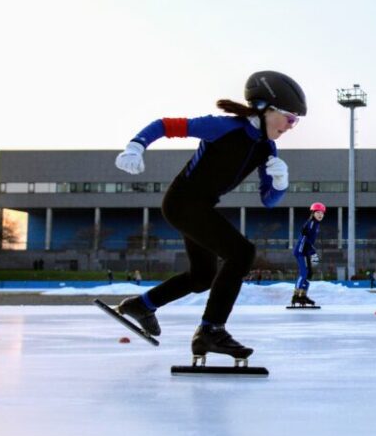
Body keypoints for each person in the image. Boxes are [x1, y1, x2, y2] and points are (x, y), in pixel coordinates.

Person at [113, 70, 306, 358]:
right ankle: (211, 330)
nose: (292, 126)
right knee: (241, 253)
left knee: (203, 276)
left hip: (200, 207)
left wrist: (280, 184)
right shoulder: (224, 127)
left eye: (296, 121)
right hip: (182, 202)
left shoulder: (267, 148)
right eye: (290, 118)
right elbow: (167, 125)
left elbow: (268, 200)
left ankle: (142, 305)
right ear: (266, 109)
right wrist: (136, 146)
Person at [291, 202, 325, 306]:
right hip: (301, 252)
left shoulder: (316, 224)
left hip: (306, 252)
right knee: (304, 273)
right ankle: (296, 296)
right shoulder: (311, 223)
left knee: (309, 274)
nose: (320, 215)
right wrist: (310, 253)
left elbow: (309, 242)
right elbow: (304, 240)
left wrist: (311, 253)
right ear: (313, 213)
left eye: (322, 213)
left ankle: (303, 296)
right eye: (318, 212)